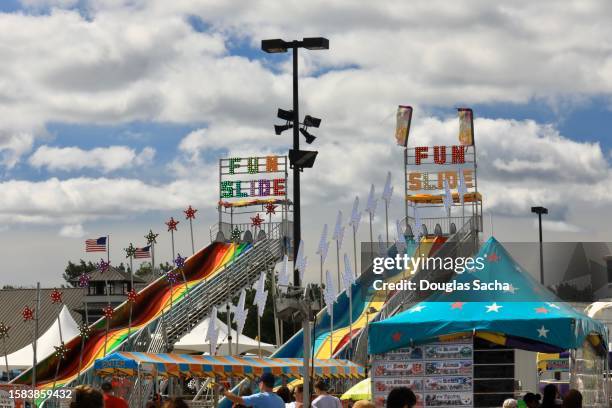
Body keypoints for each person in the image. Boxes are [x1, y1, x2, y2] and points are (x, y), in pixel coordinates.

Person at [220, 372, 285, 408]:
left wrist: (223, 391)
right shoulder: (280, 400)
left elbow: (237, 399)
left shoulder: (261, 397)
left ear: (262, 383)